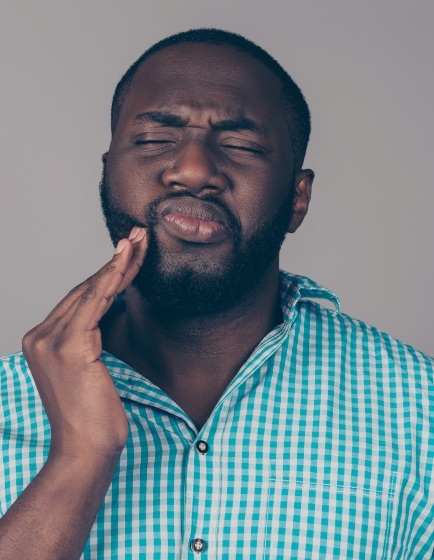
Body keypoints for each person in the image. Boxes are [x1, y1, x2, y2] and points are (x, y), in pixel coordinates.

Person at [0, 28, 432, 560]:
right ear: (107, 171)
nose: (194, 170)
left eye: (242, 145)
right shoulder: (4, 405)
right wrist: (78, 458)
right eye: (157, 138)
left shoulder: (420, 409)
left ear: (298, 199)